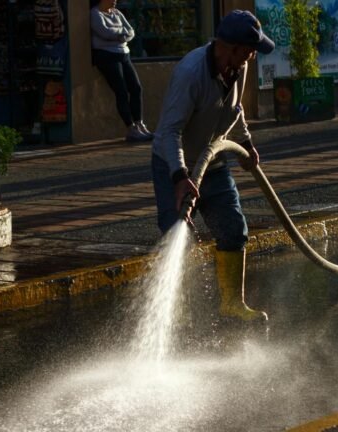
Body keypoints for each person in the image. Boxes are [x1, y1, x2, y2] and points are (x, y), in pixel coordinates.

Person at [151, 10, 275, 321]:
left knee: (233, 229)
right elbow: (170, 131)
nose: (252, 56)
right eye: (248, 50)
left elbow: (235, 109)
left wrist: (245, 144)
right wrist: (180, 176)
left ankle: (232, 304)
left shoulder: (238, 66)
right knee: (177, 232)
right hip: (173, 164)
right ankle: (175, 312)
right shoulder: (190, 74)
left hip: (214, 162)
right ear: (229, 47)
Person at [89, 0, 153, 142]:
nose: (115, 1)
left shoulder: (116, 13)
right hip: (107, 55)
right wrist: (121, 34)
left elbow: (131, 31)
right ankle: (130, 128)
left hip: (124, 54)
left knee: (136, 88)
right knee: (121, 91)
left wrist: (120, 35)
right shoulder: (95, 14)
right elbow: (104, 32)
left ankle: (139, 123)